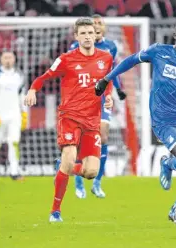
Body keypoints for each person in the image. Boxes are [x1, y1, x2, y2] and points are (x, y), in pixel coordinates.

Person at [95, 19, 176, 223]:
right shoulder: (158, 51)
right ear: (175, 34)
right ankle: (168, 164)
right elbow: (131, 60)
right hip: (163, 119)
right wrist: (106, 79)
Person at [24, 18, 114, 222]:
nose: (88, 37)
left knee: (91, 172)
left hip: (92, 121)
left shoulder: (106, 58)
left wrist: (108, 96)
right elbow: (43, 77)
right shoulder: (66, 59)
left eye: (90, 33)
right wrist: (32, 90)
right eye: (83, 33)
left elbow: (106, 81)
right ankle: (55, 211)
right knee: (70, 156)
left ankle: (63, 165)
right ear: (76, 37)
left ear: (95, 34)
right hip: (70, 117)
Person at [65, 14, 126, 199]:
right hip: (82, 98)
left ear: (103, 28)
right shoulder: (76, 47)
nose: (97, 26)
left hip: (102, 97)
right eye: (94, 23)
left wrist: (118, 89)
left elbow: (111, 71)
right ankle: (78, 182)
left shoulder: (111, 47)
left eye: (100, 23)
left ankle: (97, 182)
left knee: (104, 137)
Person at [0, 51, 27, 181]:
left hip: (15, 114)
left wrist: (24, 113)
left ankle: (14, 172)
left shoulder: (19, 75)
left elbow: (22, 95)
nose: (8, 60)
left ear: (15, 59)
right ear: (1, 59)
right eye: (5, 57)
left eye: (10, 57)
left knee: (13, 142)